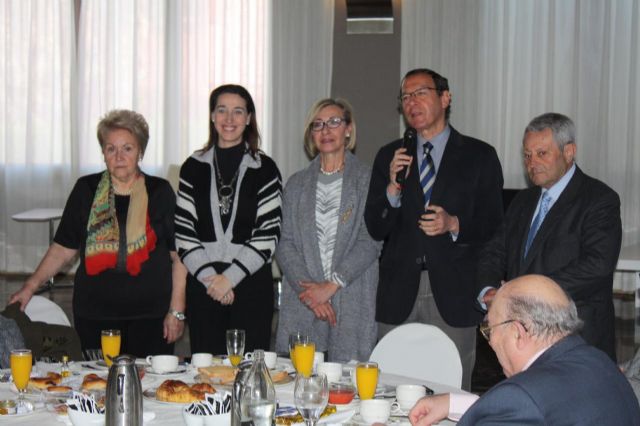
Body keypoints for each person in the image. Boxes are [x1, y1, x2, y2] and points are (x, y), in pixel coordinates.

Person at [364, 68, 504, 389]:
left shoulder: (479, 155)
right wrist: (392, 190)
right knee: (389, 388)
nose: (411, 102)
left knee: (450, 390)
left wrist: (455, 224)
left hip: (454, 291)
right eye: (405, 97)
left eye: (420, 93)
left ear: (445, 98)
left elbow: (495, 225)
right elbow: (375, 225)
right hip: (398, 291)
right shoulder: (390, 155)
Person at [9, 109, 186, 356]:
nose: (119, 156)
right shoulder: (86, 189)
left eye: (128, 148)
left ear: (140, 152)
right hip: (95, 315)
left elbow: (179, 257)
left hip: (151, 316)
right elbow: (63, 248)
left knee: (150, 388)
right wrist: (30, 286)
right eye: (111, 149)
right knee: (97, 385)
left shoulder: (161, 192)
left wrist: (176, 311)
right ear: (103, 153)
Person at [477, 112, 622, 360]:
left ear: (569, 152)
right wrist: (488, 291)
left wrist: (524, 294)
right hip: (522, 338)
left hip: (576, 335)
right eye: (527, 155)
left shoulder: (599, 199)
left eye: (542, 153)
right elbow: (494, 251)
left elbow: (597, 266)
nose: (532, 163)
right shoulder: (522, 201)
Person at [409, 275, 640, 425]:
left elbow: (525, 405)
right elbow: (549, 407)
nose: (490, 341)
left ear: (518, 332)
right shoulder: (601, 363)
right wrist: (453, 403)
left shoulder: (520, 398)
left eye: (490, 329)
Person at [175, 84, 282, 354]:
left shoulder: (266, 168)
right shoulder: (192, 166)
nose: (229, 119)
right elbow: (184, 233)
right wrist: (213, 280)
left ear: (248, 118)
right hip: (204, 285)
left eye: (238, 111)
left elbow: (268, 233)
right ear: (212, 116)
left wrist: (229, 279)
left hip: (251, 286)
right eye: (222, 110)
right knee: (206, 375)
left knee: (249, 372)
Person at [274, 98, 381, 362]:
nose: (326, 130)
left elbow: (371, 240)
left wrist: (331, 286)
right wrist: (312, 295)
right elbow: (284, 243)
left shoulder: (368, 179)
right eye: (318, 125)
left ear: (348, 129)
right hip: (303, 301)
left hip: (351, 296)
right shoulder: (297, 184)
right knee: (299, 383)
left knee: (348, 386)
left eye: (334, 122)